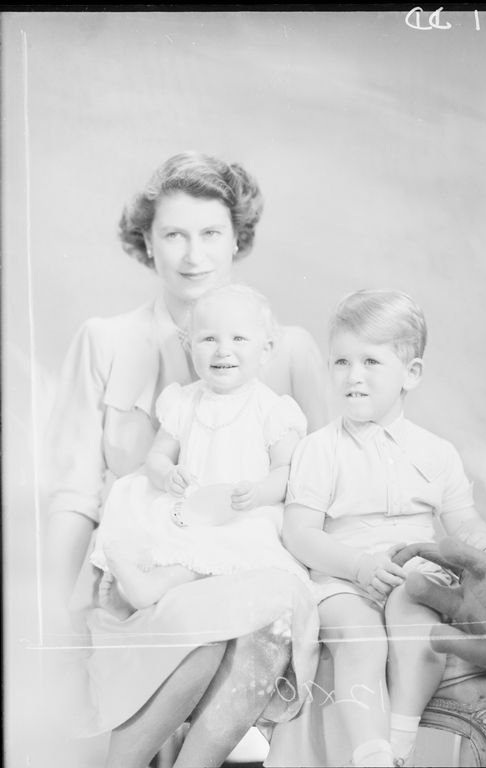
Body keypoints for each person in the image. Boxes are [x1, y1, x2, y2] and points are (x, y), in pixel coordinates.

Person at [43, 151, 327, 768]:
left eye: (210, 234)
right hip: (133, 568)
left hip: (246, 556)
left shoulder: (288, 350)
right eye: (174, 234)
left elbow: (318, 489)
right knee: (192, 639)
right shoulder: (107, 340)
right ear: (147, 240)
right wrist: (56, 614)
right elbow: (75, 493)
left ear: (236, 239)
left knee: (261, 627)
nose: (193, 255)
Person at [269, 290, 486, 768]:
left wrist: (482, 540)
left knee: (416, 618)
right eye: (341, 361)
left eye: (370, 362)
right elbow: (300, 533)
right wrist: (357, 567)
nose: (353, 375)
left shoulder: (436, 452)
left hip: (415, 576)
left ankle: (399, 736)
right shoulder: (320, 449)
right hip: (340, 579)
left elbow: (461, 520)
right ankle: (369, 751)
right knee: (361, 637)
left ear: (410, 374)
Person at [91, 284, 311, 615]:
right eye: (209, 339)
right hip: (192, 505)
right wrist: (167, 473)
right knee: (136, 498)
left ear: (266, 350)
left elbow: (286, 471)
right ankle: (131, 578)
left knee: (235, 541)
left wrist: (260, 492)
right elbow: (158, 455)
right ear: (188, 345)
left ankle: (154, 584)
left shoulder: (272, 409)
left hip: (243, 510)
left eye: (238, 339)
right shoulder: (182, 401)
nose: (223, 351)